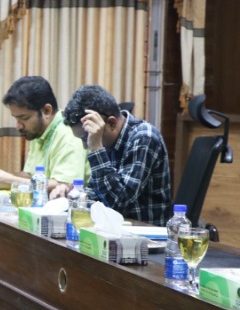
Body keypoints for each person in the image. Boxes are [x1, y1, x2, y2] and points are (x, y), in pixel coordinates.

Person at [62, 85, 173, 223]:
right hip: (115, 229)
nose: (86, 146)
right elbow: (97, 194)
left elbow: (118, 203)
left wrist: (96, 149)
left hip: (144, 232)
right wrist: (73, 195)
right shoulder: (105, 140)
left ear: (111, 123)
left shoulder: (144, 137)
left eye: (86, 138)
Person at [0, 76, 89, 200]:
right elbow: (31, 176)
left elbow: (65, 186)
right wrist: (0, 177)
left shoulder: (68, 134)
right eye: (16, 119)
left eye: (24, 118)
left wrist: (11, 181)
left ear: (46, 111)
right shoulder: (39, 130)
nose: (18, 126)